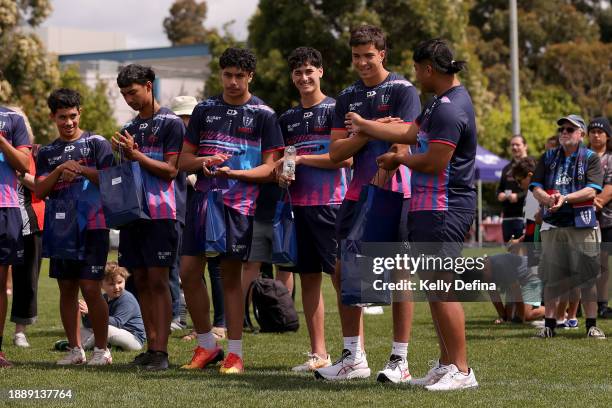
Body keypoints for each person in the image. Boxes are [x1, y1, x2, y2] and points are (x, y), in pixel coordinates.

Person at [348, 38, 480, 390]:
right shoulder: (438, 104)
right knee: (434, 288)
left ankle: (463, 371)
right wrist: (367, 125)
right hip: (429, 206)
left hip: (445, 207)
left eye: (419, 69)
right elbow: (409, 131)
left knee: (442, 287)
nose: (417, 76)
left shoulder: (451, 108)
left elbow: (436, 162)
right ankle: (446, 363)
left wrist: (398, 158)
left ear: (428, 69)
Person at [314, 25, 421, 383]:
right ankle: (352, 358)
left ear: (382, 54)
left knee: (398, 273)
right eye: (356, 55)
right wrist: (370, 129)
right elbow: (336, 152)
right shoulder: (346, 97)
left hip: (395, 191)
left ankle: (400, 359)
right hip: (356, 194)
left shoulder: (404, 90)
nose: (361, 62)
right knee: (344, 271)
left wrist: (363, 129)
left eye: (368, 55)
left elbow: (403, 144)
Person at [178, 47, 283, 374]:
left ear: (250, 76)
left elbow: (272, 168)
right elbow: (182, 161)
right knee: (188, 272)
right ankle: (208, 346)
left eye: (240, 76)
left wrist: (236, 174)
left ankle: (235, 354)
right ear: (221, 74)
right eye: (228, 75)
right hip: (203, 201)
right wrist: (204, 162)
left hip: (241, 206)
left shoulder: (264, 114)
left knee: (229, 278)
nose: (233, 82)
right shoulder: (204, 110)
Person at [276, 47, 351, 372]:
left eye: (309, 71)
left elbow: (346, 158)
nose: (304, 77)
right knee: (307, 279)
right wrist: (282, 173)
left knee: (342, 278)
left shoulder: (338, 110)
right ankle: (318, 353)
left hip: (333, 205)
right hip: (299, 209)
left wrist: (305, 159)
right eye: (297, 72)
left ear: (320, 72)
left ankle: (353, 352)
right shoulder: (288, 119)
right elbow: (286, 159)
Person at [113, 64, 186, 370]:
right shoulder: (130, 127)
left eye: (133, 92)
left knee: (158, 281)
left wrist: (136, 155)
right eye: (124, 94)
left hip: (163, 213)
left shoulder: (172, 123)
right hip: (135, 214)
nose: (129, 99)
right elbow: (127, 171)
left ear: (149, 85)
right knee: (140, 280)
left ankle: (162, 350)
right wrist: (118, 153)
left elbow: (172, 170)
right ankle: (150, 345)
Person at [35, 88, 114, 365]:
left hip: (94, 224)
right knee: (66, 288)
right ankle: (75, 350)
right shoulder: (47, 152)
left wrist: (81, 169)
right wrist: (59, 171)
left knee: (91, 288)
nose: (68, 123)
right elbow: (40, 190)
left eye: (72, 116)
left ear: (80, 113)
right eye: (62, 118)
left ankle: (102, 351)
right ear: (52, 118)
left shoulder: (97, 143)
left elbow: (110, 180)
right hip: (61, 228)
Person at [530, 114, 606, 339]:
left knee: (587, 278)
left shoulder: (590, 158)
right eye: (561, 129)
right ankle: (549, 326)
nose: (563, 132)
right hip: (553, 224)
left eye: (570, 129)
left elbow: (592, 190)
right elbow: (535, 187)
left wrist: (564, 198)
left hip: (581, 223)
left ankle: (591, 325)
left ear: (581, 134)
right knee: (552, 277)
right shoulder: (548, 156)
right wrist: (546, 199)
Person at [8, 107, 44, 349]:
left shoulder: (37, 154)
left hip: (30, 221)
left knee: (27, 279)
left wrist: (22, 176)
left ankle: (20, 330)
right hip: (5, 220)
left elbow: (44, 185)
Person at [0, 89, 31, 368]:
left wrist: (1, 141)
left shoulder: (13, 119)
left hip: (5, 208)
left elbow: (23, 163)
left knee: (0, 284)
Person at [79, 262, 145, 351]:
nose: (117, 287)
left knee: (107, 330)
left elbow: (117, 323)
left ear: (125, 280)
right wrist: (85, 313)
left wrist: (92, 312)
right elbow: (89, 325)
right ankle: (109, 346)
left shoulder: (127, 299)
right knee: (81, 330)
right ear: (101, 285)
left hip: (134, 338)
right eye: (111, 284)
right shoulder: (103, 298)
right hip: (116, 334)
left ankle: (84, 347)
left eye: (120, 282)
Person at [588, 117, 612, 318]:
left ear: (607, 136)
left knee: (603, 263)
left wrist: (593, 202)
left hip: (606, 220)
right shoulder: (582, 157)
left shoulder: (611, 159)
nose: (596, 135)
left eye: (600, 131)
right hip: (582, 219)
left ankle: (602, 304)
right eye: (592, 131)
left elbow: (609, 189)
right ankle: (578, 304)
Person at [497, 135, 530, 242]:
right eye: (512, 145)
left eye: (518, 145)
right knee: (509, 251)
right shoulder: (506, 168)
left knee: (525, 252)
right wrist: (500, 195)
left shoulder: (532, 164)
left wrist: (518, 196)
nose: (514, 147)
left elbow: (536, 188)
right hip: (507, 217)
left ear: (525, 146)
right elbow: (499, 189)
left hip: (525, 216)